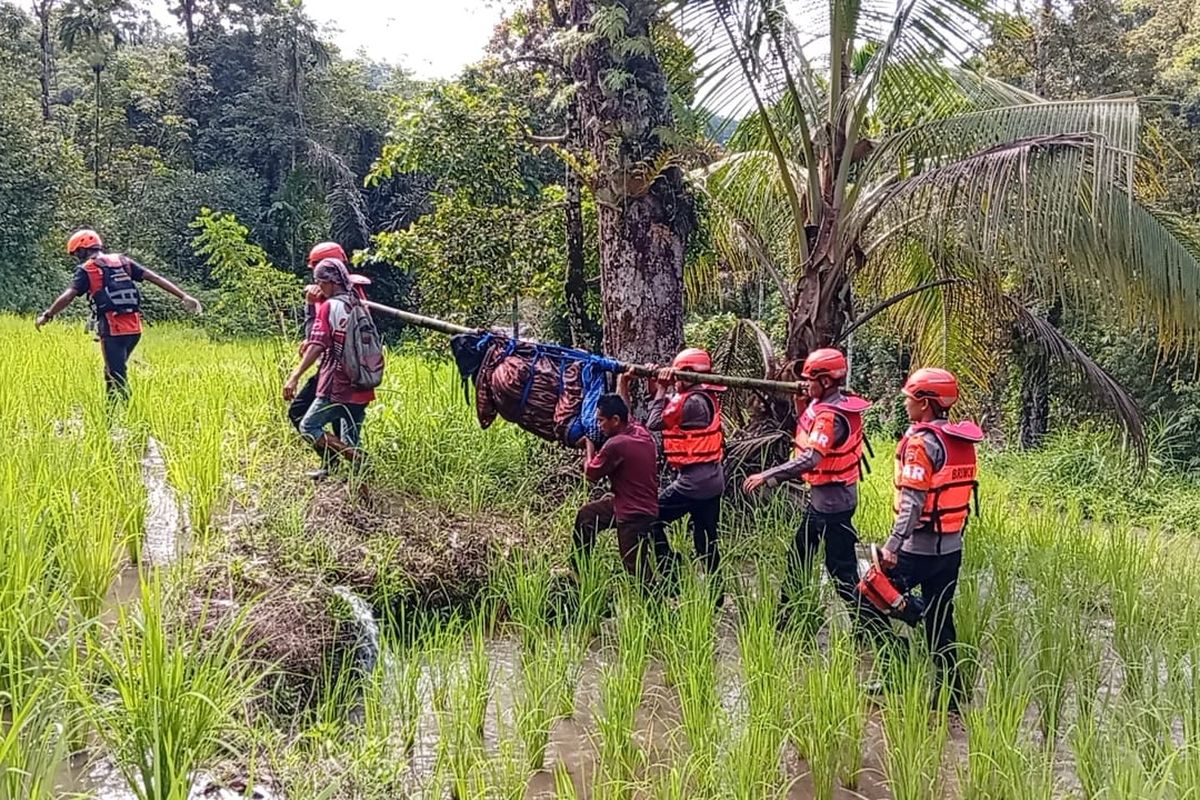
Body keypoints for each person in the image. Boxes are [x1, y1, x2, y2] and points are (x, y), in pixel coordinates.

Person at [742, 348, 872, 629]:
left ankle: (878, 633)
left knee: (842, 575)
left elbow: (812, 457)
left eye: (811, 379)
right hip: (823, 502)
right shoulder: (836, 404)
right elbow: (811, 432)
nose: (805, 383)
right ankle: (786, 620)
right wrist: (802, 406)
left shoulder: (831, 417)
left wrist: (769, 475)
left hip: (833, 507)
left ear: (826, 382)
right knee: (798, 557)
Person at [881, 367, 982, 710]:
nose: (907, 403)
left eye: (910, 398)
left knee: (867, 597)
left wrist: (892, 546)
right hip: (951, 551)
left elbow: (911, 503)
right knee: (942, 622)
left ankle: (897, 666)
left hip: (917, 551)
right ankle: (950, 697)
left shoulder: (921, 444)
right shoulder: (961, 442)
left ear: (925, 404)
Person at [35, 229, 202, 399]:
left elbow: (69, 295)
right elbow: (155, 278)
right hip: (134, 329)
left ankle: (129, 419)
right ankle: (110, 416)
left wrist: (47, 315)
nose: (77, 257)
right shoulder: (123, 261)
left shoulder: (88, 269)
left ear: (82, 249)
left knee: (117, 378)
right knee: (112, 373)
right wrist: (183, 296)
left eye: (76, 253)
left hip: (112, 329)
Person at [645, 347, 726, 598]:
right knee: (706, 539)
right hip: (711, 479)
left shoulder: (693, 402)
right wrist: (654, 382)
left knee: (651, 520)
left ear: (689, 376)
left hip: (694, 482)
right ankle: (717, 592)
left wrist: (660, 388)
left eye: (679, 375)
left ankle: (671, 574)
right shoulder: (700, 396)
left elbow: (655, 421)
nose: (675, 381)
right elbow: (667, 405)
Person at [283, 258, 374, 479]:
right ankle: (363, 496)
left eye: (319, 281)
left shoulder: (329, 307)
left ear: (330, 281)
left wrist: (294, 376)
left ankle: (354, 456)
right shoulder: (359, 304)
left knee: (308, 426)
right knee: (351, 435)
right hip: (363, 384)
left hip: (337, 384)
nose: (318, 286)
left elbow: (317, 345)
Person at [572, 383, 665, 588]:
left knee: (634, 567)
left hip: (633, 513)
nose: (599, 426)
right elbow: (626, 406)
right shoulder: (638, 431)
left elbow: (591, 473)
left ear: (615, 420)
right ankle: (578, 571)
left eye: (601, 421)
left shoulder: (617, 444)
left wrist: (589, 445)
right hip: (635, 504)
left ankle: (658, 610)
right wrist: (623, 380)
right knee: (587, 516)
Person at [288, 241, 371, 431]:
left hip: (335, 371)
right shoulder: (353, 293)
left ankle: (344, 459)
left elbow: (317, 340)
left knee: (302, 417)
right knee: (344, 427)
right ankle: (344, 459)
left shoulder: (332, 301)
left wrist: (310, 306)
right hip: (357, 370)